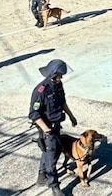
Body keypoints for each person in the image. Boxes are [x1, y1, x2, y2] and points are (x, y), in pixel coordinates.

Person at [29, 59, 77, 196]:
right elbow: (34, 114)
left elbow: (63, 102)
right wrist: (47, 130)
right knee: (52, 157)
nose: (61, 78)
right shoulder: (40, 91)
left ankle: (41, 176)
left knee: (51, 152)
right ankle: (55, 187)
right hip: (47, 128)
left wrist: (71, 116)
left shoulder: (58, 85)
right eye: (59, 76)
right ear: (52, 74)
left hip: (56, 126)